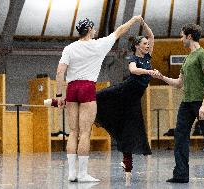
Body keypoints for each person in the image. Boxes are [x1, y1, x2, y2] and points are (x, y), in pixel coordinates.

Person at [55, 15, 143, 182]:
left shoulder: (69, 48)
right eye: (93, 28)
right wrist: (134, 20)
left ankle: (72, 174)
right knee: (85, 132)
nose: (95, 31)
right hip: (87, 88)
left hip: (72, 88)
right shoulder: (99, 44)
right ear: (89, 30)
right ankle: (82, 174)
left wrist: (59, 95)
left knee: (73, 132)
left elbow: (60, 72)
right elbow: (119, 31)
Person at [153, 23, 204, 183]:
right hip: (186, 103)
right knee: (180, 136)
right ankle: (181, 174)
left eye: (182, 36)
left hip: (199, 103)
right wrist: (161, 77)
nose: (181, 39)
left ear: (189, 36)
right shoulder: (188, 58)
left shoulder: (202, 54)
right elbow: (178, 83)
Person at [95, 18, 156, 182]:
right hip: (123, 92)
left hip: (133, 101)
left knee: (130, 130)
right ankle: (77, 101)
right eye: (144, 44)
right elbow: (134, 71)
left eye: (147, 44)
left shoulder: (148, 56)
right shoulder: (133, 59)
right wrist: (149, 72)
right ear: (137, 46)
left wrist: (143, 24)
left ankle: (127, 164)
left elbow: (151, 36)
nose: (147, 45)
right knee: (98, 97)